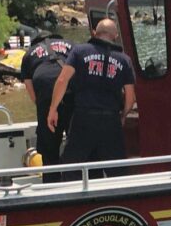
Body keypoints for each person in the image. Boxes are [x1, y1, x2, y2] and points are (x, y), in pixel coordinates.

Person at [48, 19, 135, 179]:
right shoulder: (124, 60)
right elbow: (130, 96)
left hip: (83, 118)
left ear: (95, 32)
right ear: (115, 36)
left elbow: (62, 80)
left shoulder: (80, 51)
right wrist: (123, 115)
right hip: (110, 120)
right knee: (118, 172)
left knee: (71, 168)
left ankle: (71, 201)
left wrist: (53, 110)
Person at [20, 33, 73, 183]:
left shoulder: (29, 53)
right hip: (70, 88)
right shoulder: (71, 44)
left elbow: (31, 91)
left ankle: (51, 185)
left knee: (49, 149)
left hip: (44, 92)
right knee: (75, 142)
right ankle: (76, 182)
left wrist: (46, 108)